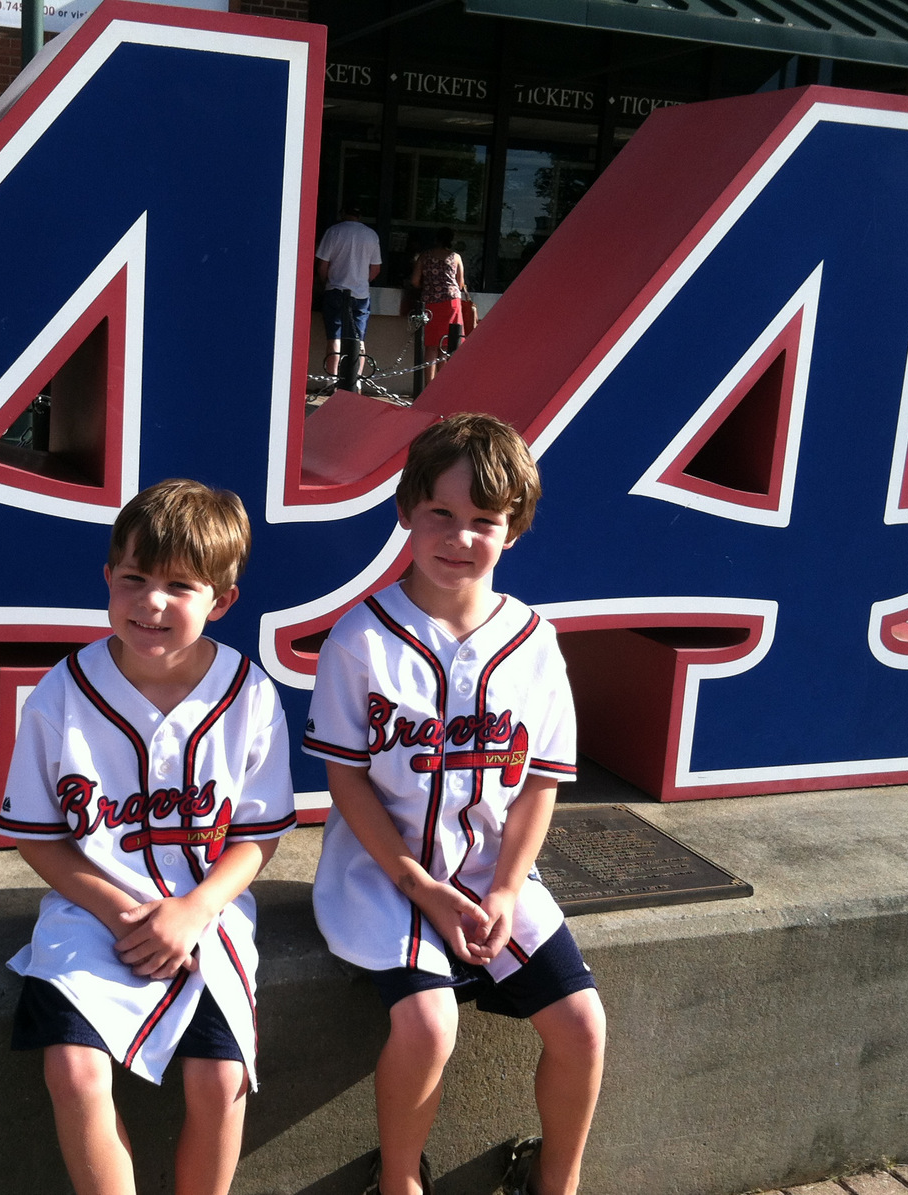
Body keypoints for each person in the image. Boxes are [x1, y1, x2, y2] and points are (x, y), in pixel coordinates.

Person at [303, 413, 606, 1195]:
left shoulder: (534, 640)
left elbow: (541, 781)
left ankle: (556, 1179)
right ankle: (400, 1179)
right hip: (386, 875)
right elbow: (347, 780)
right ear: (406, 508)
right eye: (440, 511)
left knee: (582, 1024)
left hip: (491, 870)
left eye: (484, 520)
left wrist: (505, 887)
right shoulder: (361, 638)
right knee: (428, 1023)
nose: (459, 536)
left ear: (515, 529)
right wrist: (420, 886)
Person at [0, 478, 296, 1195]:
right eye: (134, 578)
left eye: (180, 585)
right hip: (92, 906)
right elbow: (37, 836)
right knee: (73, 1068)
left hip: (208, 907)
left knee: (221, 1077)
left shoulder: (249, 692)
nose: (151, 602)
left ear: (221, 600)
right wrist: (115, 910)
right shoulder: (63, 691)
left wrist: (195, 909)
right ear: (108, 577)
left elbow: (257, 836)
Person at [316, 207, 383, 385]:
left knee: (335, 337)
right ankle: (356, 380)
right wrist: (362, 281)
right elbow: (376, 268)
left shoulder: (333, 232)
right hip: (360, 294)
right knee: (358, 338)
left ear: (342, 213)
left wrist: (325, 282)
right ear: (360, 215)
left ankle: (332, 380)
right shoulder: (371, 235)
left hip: (335, 289)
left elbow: (322, 265)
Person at [407, 228, 465, 383]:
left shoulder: (424, 256)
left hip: (430, 302)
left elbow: (414, 281)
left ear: (436, 239)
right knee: (446, 345)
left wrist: (429, 286)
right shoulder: (455, 257)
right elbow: (460, 284)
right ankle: (441, 385)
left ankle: (429, 384)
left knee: (431, 345)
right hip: (451, 303)